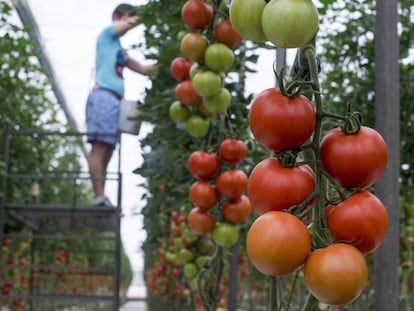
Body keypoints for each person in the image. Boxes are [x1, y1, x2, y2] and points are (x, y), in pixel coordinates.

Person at [85, 3, 157, 207]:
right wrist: (149, 11)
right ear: (117, 16)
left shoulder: (118, 49)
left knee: (107, 149)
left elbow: (143, 69)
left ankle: (101, 195)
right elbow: (124, 27)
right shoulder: (108, 35)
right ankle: (98, 196)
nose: (131, 20)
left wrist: (172, 62)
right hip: (103, 96)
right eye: (128, 16)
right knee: (100, 148)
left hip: (114, 100)